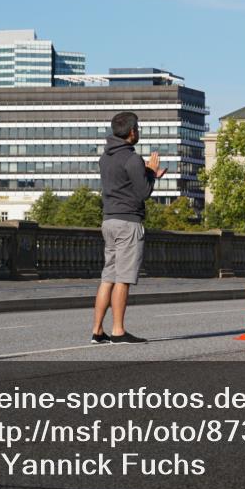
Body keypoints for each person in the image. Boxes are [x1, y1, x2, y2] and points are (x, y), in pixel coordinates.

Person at [91, 111, 165, 344]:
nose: (139, 132)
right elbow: (143, 193)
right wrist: (152, 174)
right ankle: (119, 331)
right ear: (132, 132)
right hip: (128, 222)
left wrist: (145, 173)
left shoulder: (105, 157)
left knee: (108, 277)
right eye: (138, 128)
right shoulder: (132, 158)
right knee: (123, 278)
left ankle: (97, 331)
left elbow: (122, 182)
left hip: (109, 219)